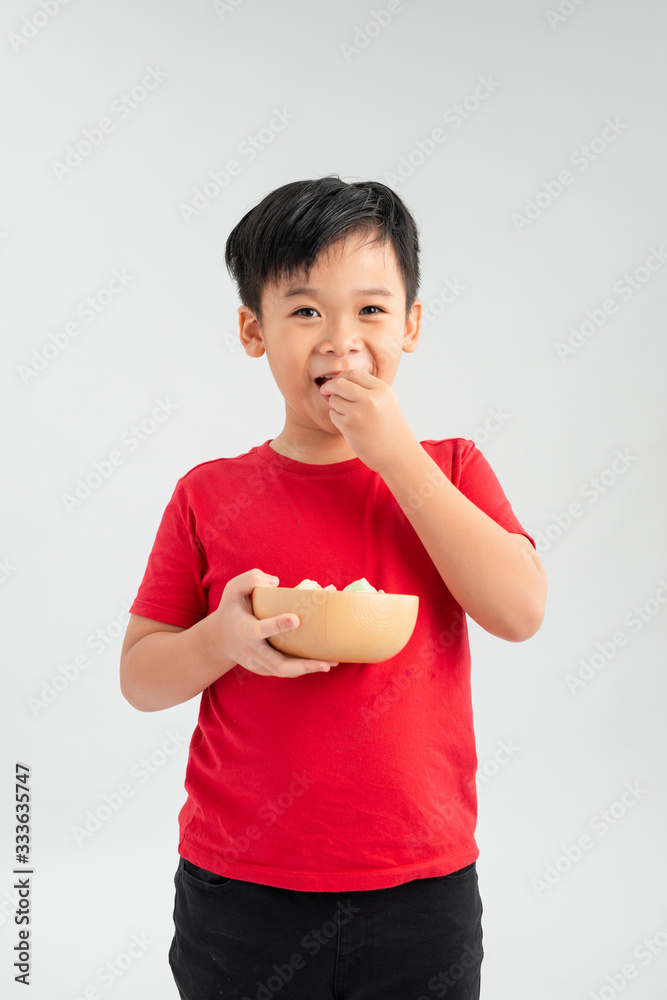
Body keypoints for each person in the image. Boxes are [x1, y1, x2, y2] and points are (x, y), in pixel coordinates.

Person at [119, 175, 547, 1000]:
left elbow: (519, 610)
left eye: (372, 311)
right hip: (239, 890)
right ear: (254, 330)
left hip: (422, 888)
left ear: (413, 326)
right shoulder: (208, 494)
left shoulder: (449, 470)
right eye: (306, 311)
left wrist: (396, 458)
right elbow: (141, 677)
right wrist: (222, 639)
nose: (341, 341)